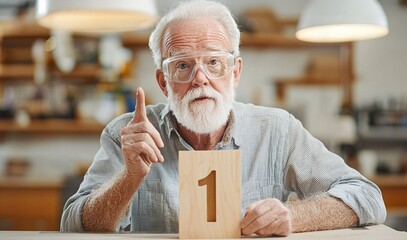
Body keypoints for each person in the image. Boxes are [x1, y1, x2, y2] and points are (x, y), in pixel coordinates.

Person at [61, 0, 386, 236]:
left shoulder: (278, 130)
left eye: (214, 62)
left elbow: (367, 196)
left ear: (235, 72)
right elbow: (72, 223)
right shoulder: (126, 134)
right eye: (183, 65)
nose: (200, 78)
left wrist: (293, 216)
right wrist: (129, 177)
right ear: (163, 81)